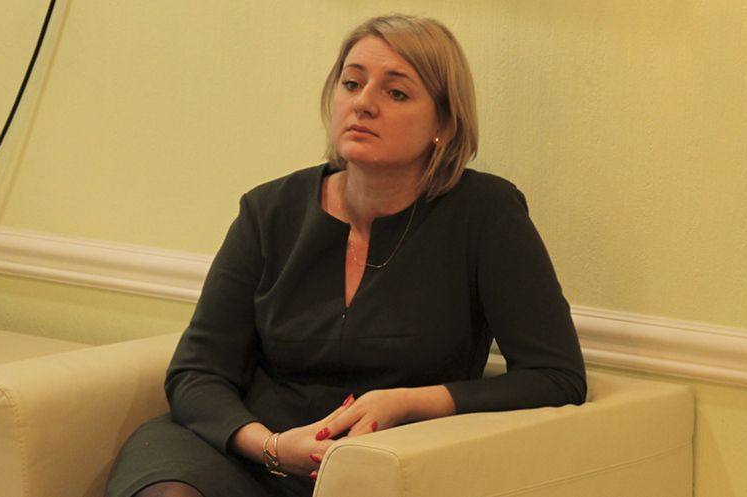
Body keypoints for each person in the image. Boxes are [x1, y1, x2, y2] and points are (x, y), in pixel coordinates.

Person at [105, 14, 586, 497]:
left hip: (382, 468)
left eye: (396, 92)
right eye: (352, 83)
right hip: (243, 449)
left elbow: (556, 376)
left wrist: (407, 402)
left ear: (443, 123)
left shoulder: (485, 213)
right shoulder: (268, 210)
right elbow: (197, 372)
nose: (363, 103)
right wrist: (272, 445)